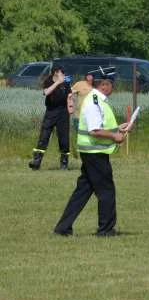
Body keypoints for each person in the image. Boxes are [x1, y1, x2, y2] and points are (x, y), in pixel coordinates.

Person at [53, 68, 131, 236]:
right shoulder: (95, 101)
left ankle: (62, 228)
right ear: (104, 85)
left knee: (83, 191)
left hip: (93, 152)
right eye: (112, 84)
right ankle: (106, 229)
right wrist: (114, 136)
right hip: (95, 153)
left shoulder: (97, 100)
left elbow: (99, 126)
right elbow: (94, 131)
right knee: (106, 190)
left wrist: (118, 128)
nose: (113, 88)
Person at [29, 66, 73, 171]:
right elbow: (46, 92)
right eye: (62, 73)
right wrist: (57, 82)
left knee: (64, 139)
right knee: (43, 137)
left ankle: (64, 163)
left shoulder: (66, 84)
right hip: (51, 112)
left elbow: (69, 97)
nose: (63, 75)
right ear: (56, 73)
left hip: (63, 113)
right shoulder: (48, 82)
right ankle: (36, 161)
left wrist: (71, 106)